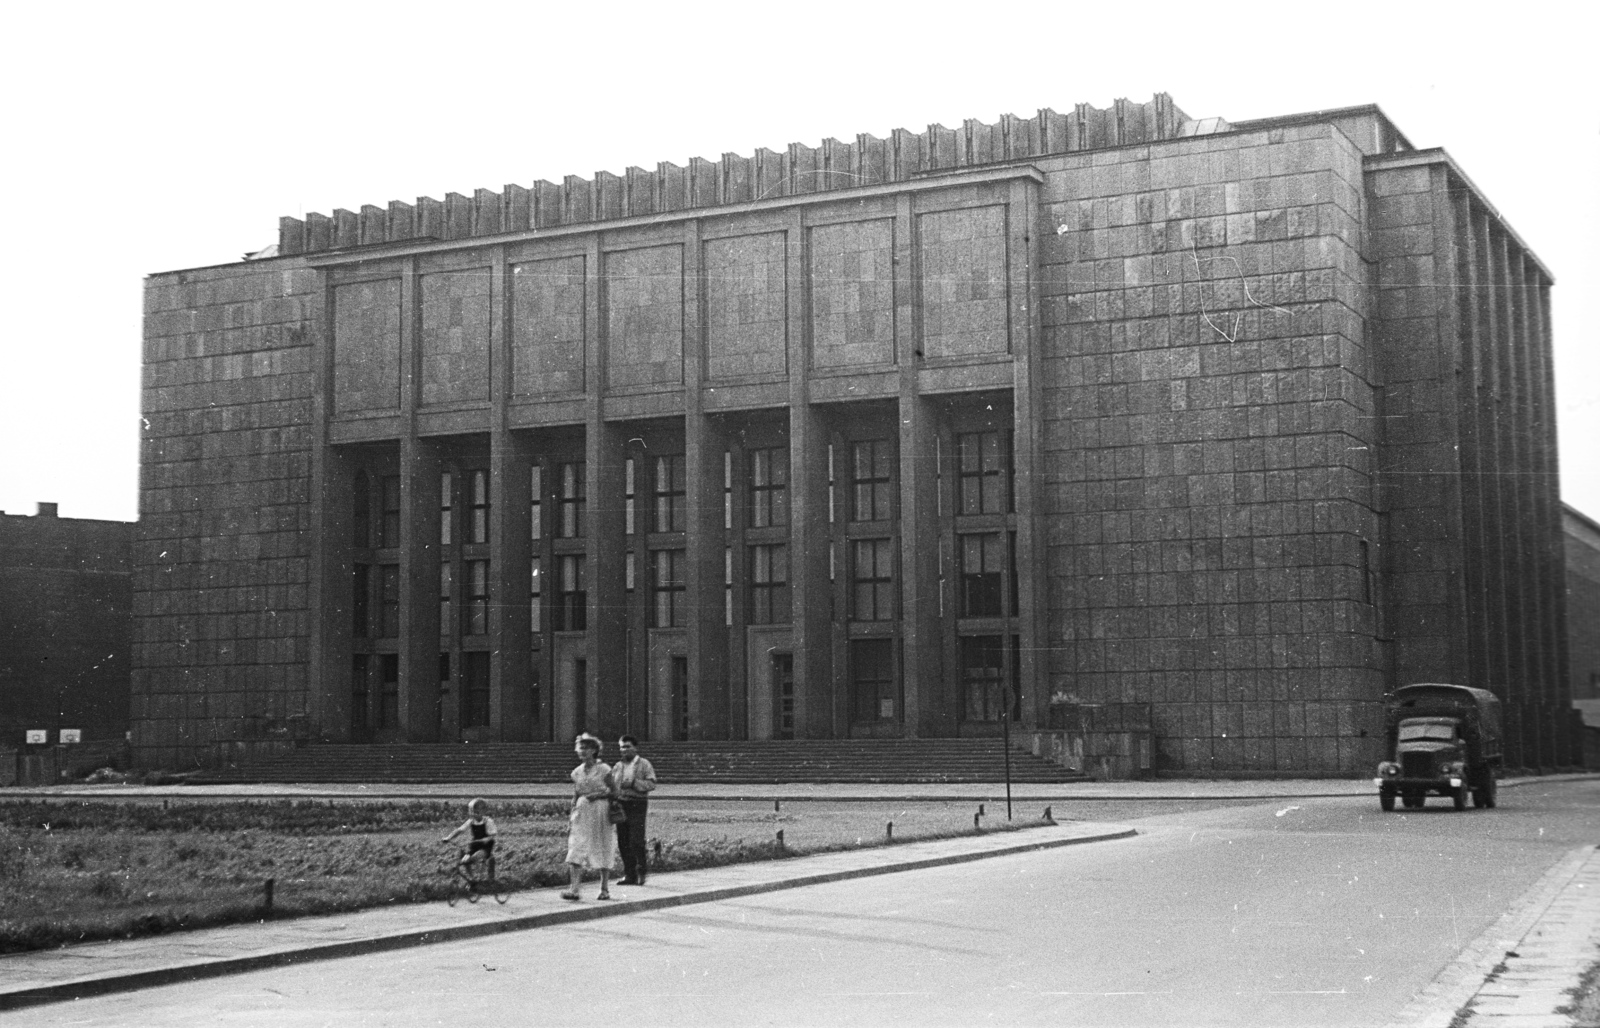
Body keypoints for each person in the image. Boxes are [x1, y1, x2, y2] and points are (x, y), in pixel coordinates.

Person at [561, 733, 618, 900]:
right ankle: (574, 889)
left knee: (602, 844)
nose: (583, 751)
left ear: (594, 750)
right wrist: (571, 817)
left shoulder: (604, 769)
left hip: (601, 811)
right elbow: (576, 795)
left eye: (586, 748)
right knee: (576, 846)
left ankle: (604, 889)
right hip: (582, 811)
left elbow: (615, 791)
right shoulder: (577, 772)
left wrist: (600, 794)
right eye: (581, 748)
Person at [613, 735, 657, 885]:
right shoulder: (618, 766)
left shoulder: (644, 764)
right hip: (622, 804)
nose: (624, 750)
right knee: (623, 841)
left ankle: (641, 871)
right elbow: (613, 785)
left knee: (636, 840)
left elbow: (651, 784)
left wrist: (634, 783)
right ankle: (629, 874)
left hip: (637, 804)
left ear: (635, 748)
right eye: (622, 747)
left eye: (628, 746)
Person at [441, 797, 497, 878]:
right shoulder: (471, 821)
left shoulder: (488, 821)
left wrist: (484, 840)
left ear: (483, 811)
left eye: (477, 812)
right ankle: (472, 878)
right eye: (472, 812)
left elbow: (492, 835)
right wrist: (449, 837)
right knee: (464, 861)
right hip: (474, 845)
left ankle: (480, 876)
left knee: (475, 858)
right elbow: (460, 830)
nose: (474, 815)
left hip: (485, 846)